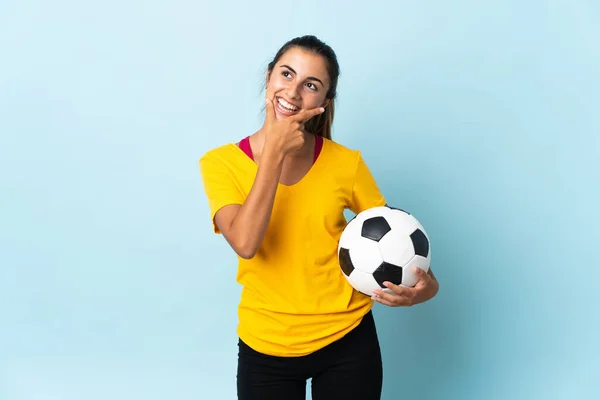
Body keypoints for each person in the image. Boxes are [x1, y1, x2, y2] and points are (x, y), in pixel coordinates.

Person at [199, 35, 439, 400]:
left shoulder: (347, 163)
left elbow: (397, 241)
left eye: (310, 85)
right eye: (286, 74)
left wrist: (425, 290)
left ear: (324, 103)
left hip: (347, 341)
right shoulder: (220, 164)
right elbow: (246, 243)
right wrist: (275, 152)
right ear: (268, 78)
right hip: (265, 346)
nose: (293, 93)